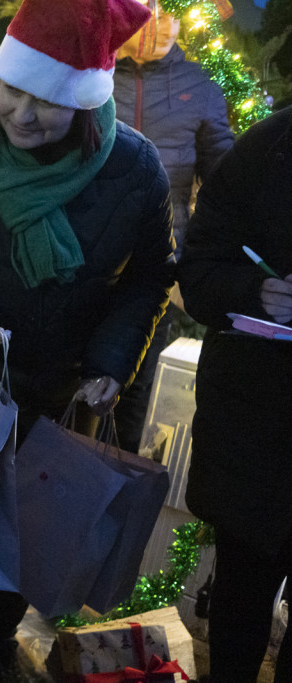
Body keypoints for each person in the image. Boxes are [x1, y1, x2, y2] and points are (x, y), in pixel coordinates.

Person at [0, 0, 175, 680]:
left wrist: (111, 360)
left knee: (31, 528)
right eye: (12, 88)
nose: (21, 111)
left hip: (59, 387)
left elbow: (148, 280)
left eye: (45, 100)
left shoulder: (134, 169)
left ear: (82, 100)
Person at [178, 104, 292, 683]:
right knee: (240, 609)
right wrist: (259, 291)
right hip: (258, 434)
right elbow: (198, 269)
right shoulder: (267, 151)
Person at [111, 0, 234, 451]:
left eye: (168, 13)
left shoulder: (199, 86)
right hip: (88, 257)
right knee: (76, 379)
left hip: (157, 262)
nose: (159, 26)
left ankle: (113, 487)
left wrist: (199, 249)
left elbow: (223, 178)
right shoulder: (95, 76)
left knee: (134, 384)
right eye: (149, 12)